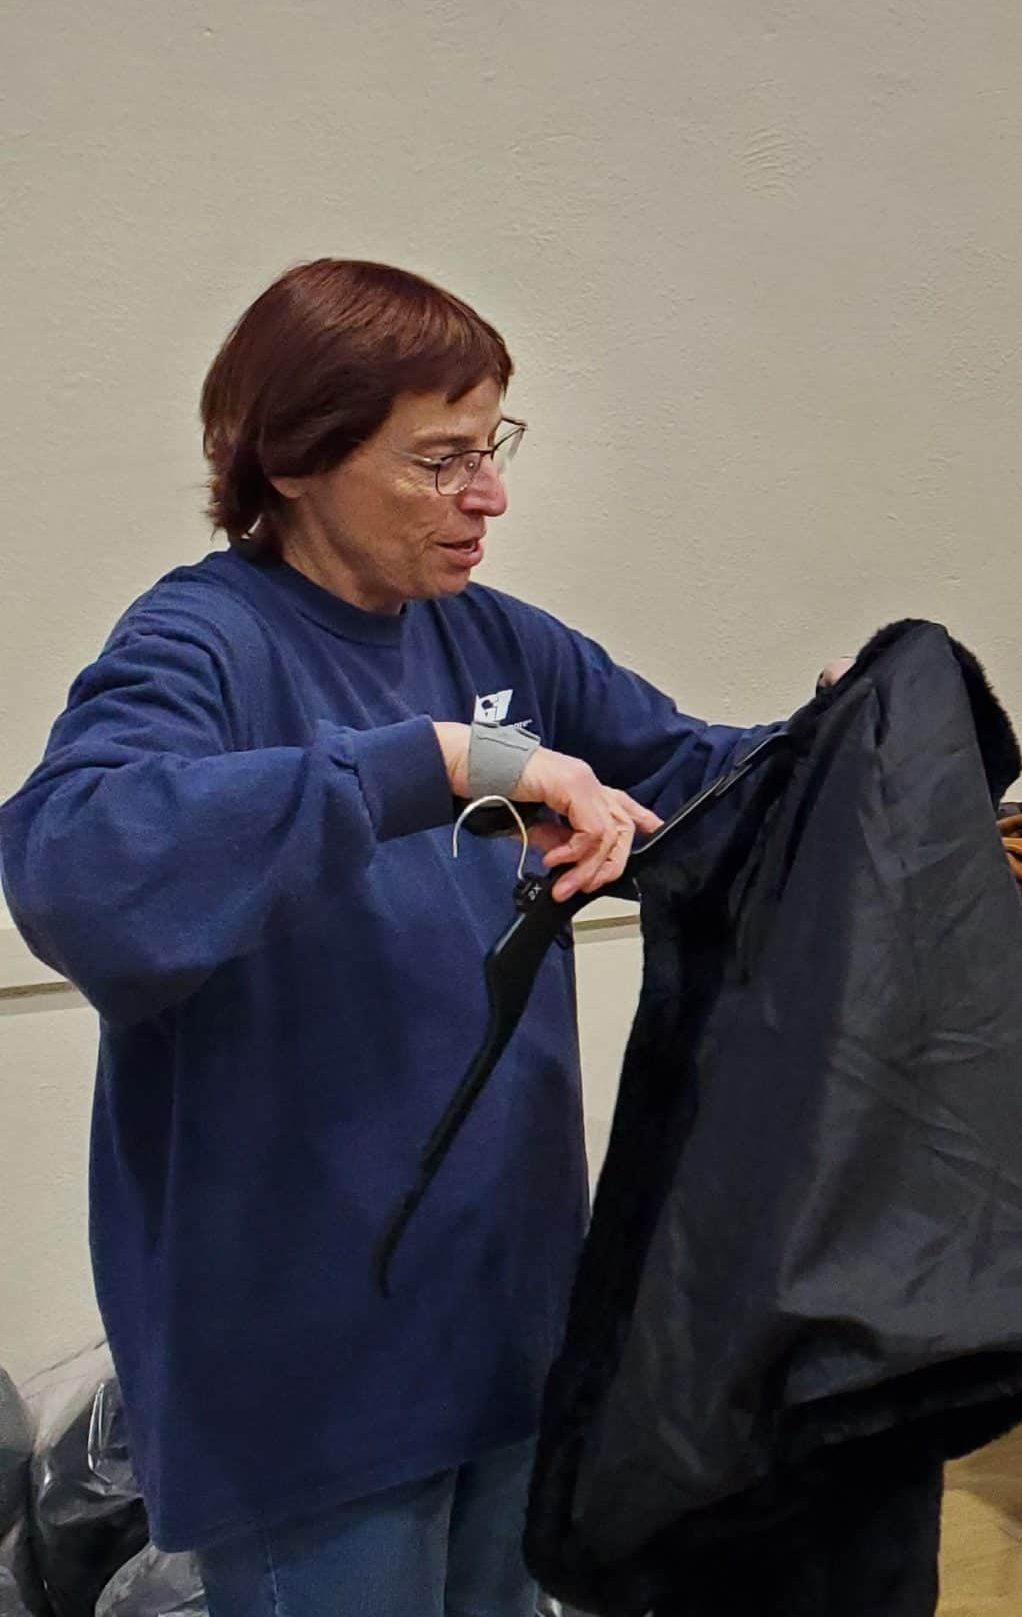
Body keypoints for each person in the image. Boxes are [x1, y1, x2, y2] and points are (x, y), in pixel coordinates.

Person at [0, 260, 824, 1617]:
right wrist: (438, 760)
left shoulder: (498, 640)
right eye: (441, 461)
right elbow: (77, 862)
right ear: (299, 456)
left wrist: (848, 730)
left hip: (505, 1342)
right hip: (312, 1395)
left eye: (490, 449)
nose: (489, 496)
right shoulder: (203, 644)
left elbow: (696, 780)